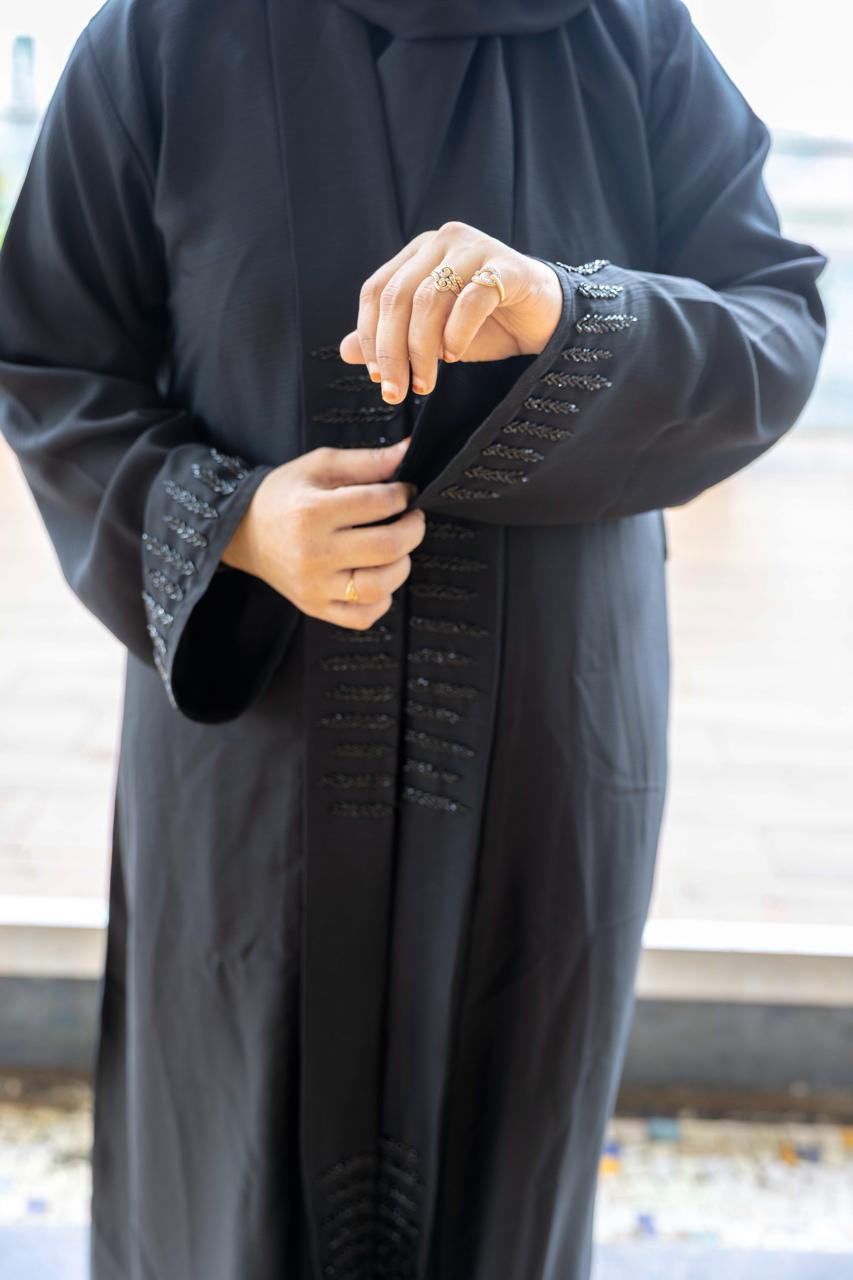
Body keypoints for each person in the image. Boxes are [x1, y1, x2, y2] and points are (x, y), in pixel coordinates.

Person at [0, 1, 827, 1277]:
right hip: (255, 756)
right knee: (224, 1187)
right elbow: (48, 355)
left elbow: (774, 328)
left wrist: (568, 309)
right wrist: (233, 524)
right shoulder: (167, 35)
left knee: (507, 1173)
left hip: (542, 755)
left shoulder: (630, 36)